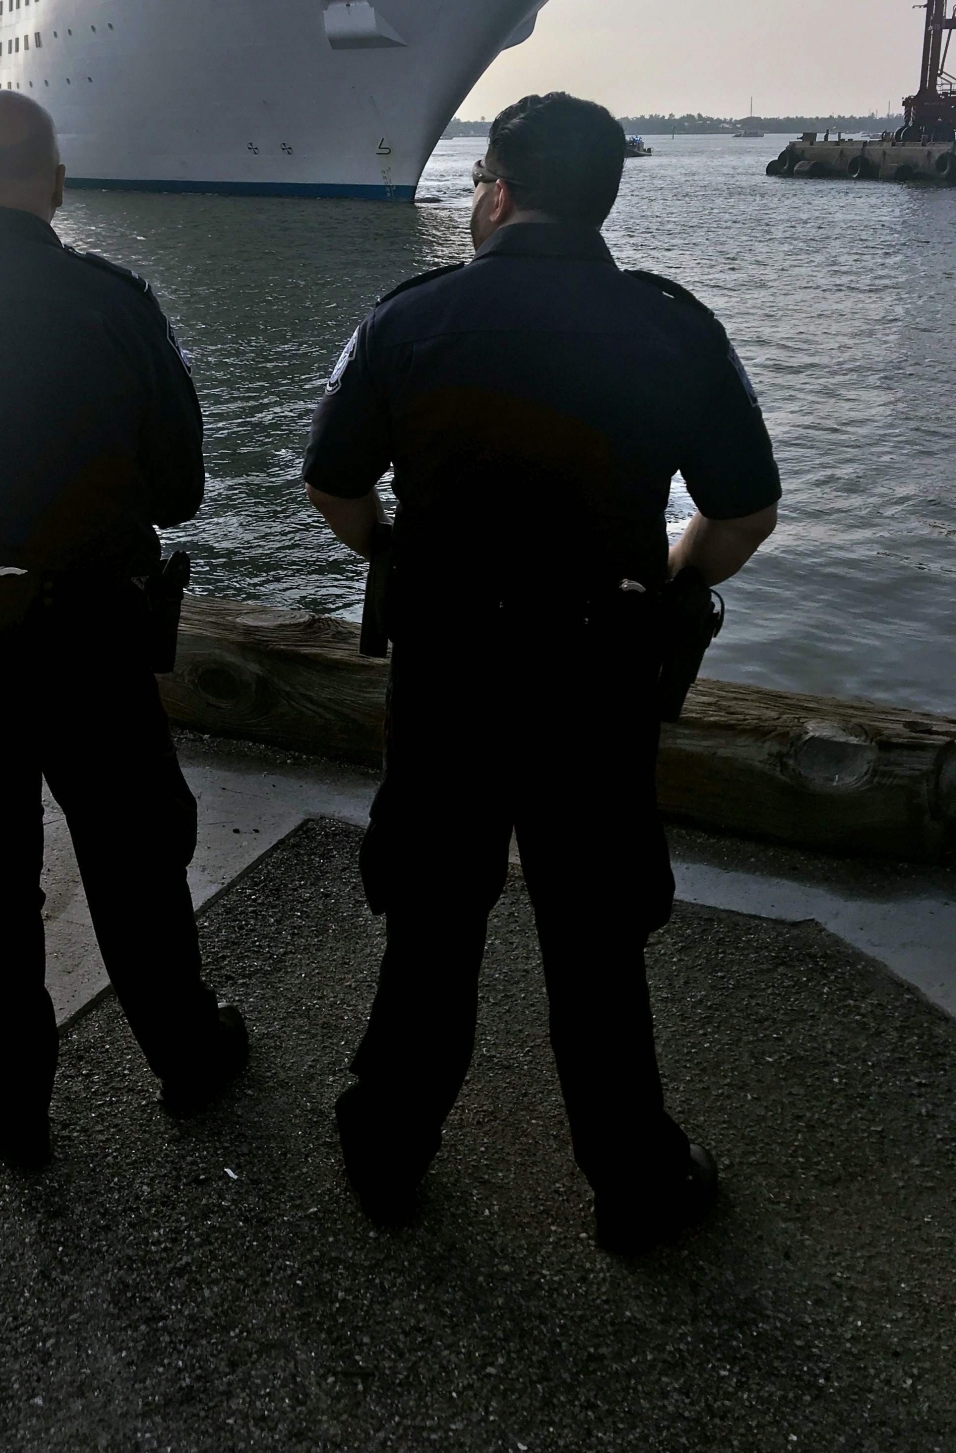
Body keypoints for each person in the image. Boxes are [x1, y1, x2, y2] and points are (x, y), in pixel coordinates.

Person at [302, 90, 780, 1252]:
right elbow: (744, 510)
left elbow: (332, 482)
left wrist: (402, 554)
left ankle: (387, 1151)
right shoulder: (674, 326)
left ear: (501, 192)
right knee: (594, 935)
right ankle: (635, 1185)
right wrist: (669, 578)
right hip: (595, 677)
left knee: (432, 917)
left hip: (452, 673)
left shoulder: (408, 320)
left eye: (475, 183)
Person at [0, 91, 246, 1169]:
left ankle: (12, 1105)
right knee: (132, 852)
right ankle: (189, 1058)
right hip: (91, 631)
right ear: (58, 183)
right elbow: (181, 486)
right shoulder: (117, 305)